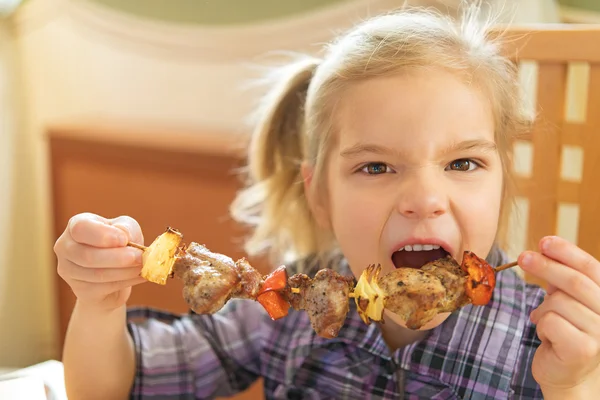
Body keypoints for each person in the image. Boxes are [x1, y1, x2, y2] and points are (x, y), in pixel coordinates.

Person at [53, 3, 600, 400]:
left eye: (463, 163)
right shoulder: (286, 313)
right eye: (376, 166)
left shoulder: (550, 348)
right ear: (319, 195)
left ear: (503, 178)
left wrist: (574, 387)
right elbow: (112, 388)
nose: (426, 199)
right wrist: (99, 304)